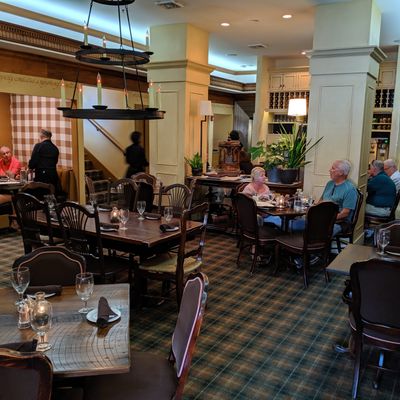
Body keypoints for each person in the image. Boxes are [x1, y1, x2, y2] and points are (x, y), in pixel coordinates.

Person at [291, 159, 358, 236]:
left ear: (341, 173)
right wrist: (311, 212)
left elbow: (345, 213)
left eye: (333, 168)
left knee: (312, 231)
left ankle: (310, 242)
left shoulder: (350, 189)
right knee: (291, 224)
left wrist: (326, 219)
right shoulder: (330, 183)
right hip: (321, 218)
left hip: (338, 222)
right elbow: (320, 202)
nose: (330, 170)